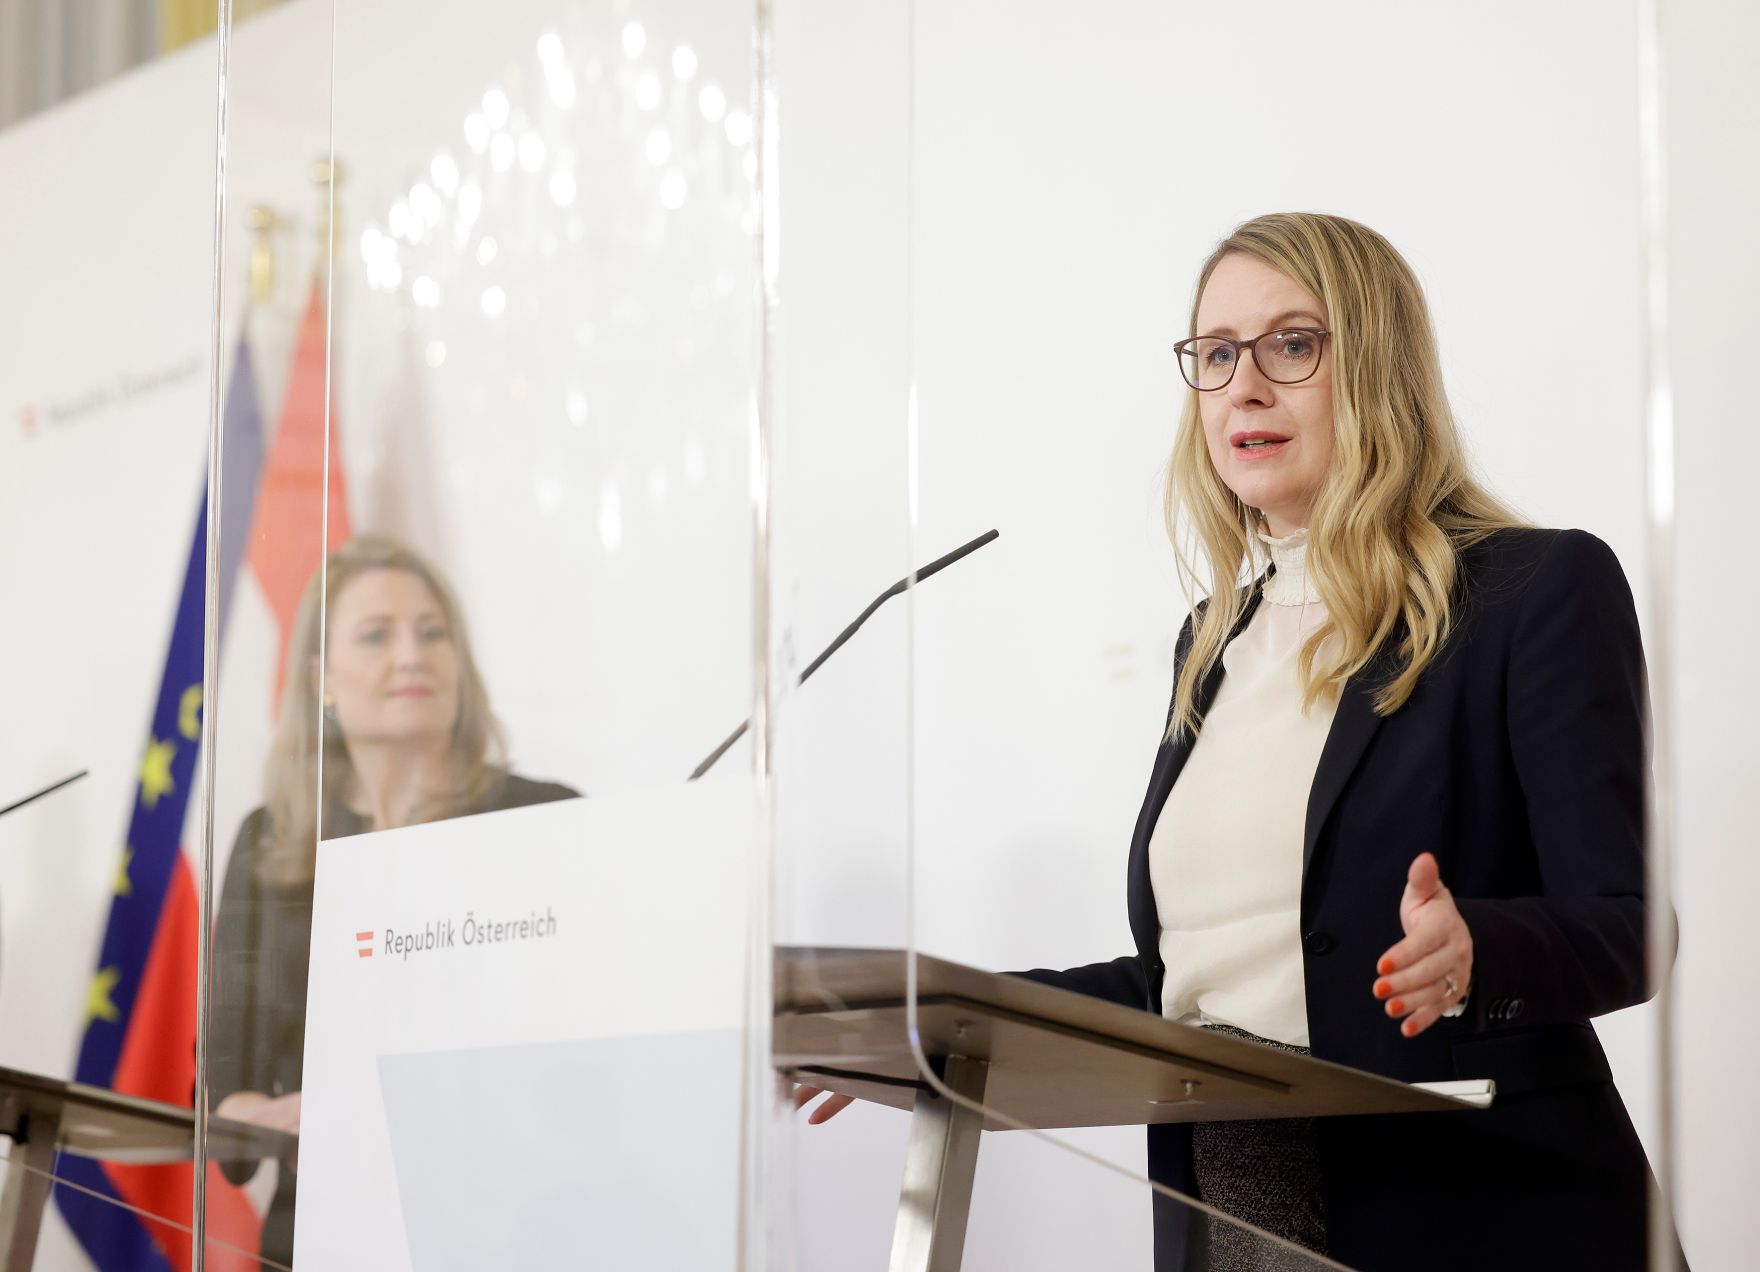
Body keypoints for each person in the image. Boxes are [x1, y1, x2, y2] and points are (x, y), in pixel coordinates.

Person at [795, 212, 1677, 1270]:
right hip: (1234, 1212)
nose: (1242, 387)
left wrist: (1475, 950)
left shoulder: (1529, 592)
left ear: (1378, 368)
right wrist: (934, 1026)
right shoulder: (1212, 641)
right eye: (1214, 355)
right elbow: (1185, 984)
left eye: (1290, 345)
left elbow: (1627, 924)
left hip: (1480, 1215)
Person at [208, 534, 578, 1266]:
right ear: (321, 678)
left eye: (432, 633)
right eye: (377, 635)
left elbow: (591, 1052)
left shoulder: (545, 821)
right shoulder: (269, 842)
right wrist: (276, 1116)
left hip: (509, 1227)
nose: (412, 655)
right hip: (322, 1230)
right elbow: (223, 1088)